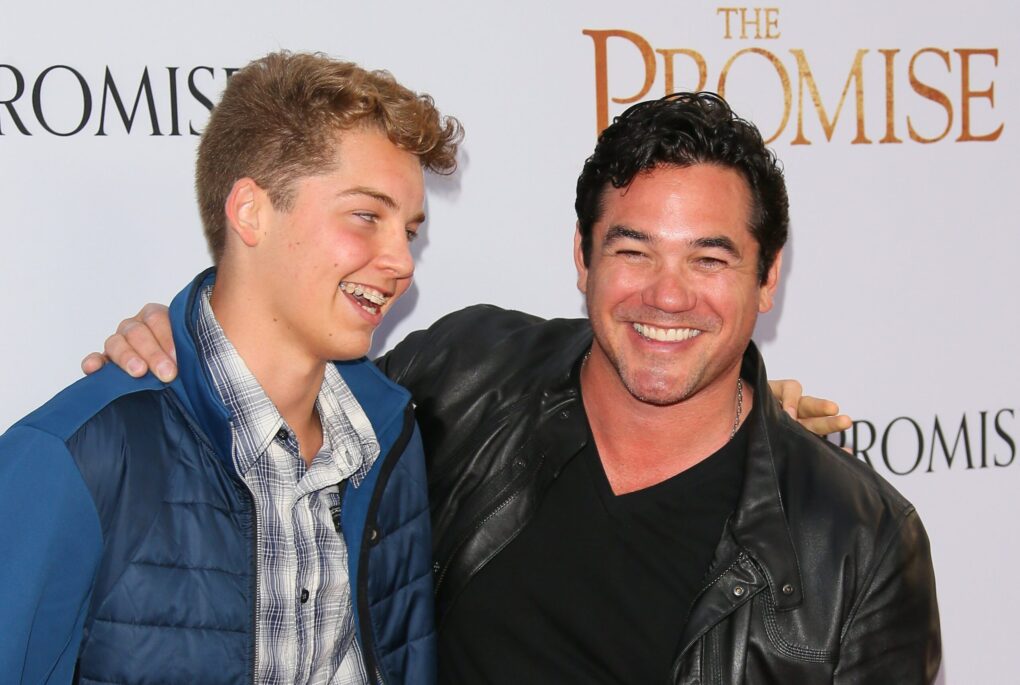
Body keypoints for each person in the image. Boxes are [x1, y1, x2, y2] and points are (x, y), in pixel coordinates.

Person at [85, 94, 931, 684]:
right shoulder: (466, 371)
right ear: (582, 258)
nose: (667, 297)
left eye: (710, 260)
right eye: (633, 251)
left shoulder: (856, 542)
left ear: (767, 278)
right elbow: (284, 400)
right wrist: (184, 341)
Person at [0, 51, 461, 684]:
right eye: (366, 216)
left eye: (408, 230)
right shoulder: (78, 452)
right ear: (250, 211)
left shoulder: (388, 438)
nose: (402, 262)